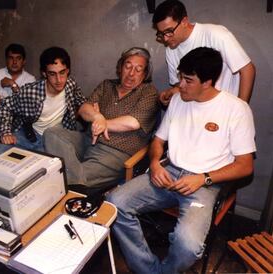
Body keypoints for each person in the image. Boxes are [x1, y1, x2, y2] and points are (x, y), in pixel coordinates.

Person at [106, 47, 256, 274]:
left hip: (205, 184)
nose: (180, 85)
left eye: (188, 80)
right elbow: (157, 141)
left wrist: (203, 179)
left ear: (208, 82)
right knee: (114, 204)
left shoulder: (236, 109)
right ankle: (149, 270)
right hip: (168, 172)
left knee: (188, 246)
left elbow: (245, 165)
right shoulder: (178, 100)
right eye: (180, 77)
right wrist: (155, 163)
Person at [43, 47, 159, 187]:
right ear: (120, 68)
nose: (131, 73)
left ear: (145, 74)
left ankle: (70, 180)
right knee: (52, 134)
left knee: (79, 176)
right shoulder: (106, 85)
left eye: (138, 69)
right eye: (127, 67)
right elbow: (84, 109)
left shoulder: (149, 92)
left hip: (115, 152)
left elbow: (132, 122)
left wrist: (102, 122)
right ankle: (72, 179)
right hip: (87, 139)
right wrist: (97, 116)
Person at [0, 46, 86, 159]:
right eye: (52, 74)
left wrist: (93, 109)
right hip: (27, 135)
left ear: (67, 71)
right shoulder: (30, 91)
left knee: (44, 171)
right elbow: (5, 105)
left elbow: (81, 100)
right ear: (44, 73)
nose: (59, 80)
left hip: (53, 139)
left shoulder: (70, 84)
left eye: (62, 72)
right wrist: (5, 132)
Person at [153, 0, 256, 105]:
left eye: (169, 31)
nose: (165, 39)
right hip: (195, 111)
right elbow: (183, 85)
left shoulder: (216, 35)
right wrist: (172, 92)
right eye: (161, 33)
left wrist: (241, 108)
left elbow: (247, 69)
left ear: (184, 22)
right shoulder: (170, 50)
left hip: (224, 108)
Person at [0, 43, 36, 113]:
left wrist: (13, 84)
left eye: (18, 58)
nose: (14, 62)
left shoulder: (30, 79)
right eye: (11, 58)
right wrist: (18, 106)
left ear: (24, 62)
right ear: (6, 60)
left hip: (19, 120)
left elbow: (28, 106)